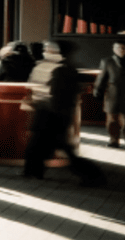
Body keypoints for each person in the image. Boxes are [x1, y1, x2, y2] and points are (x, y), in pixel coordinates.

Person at [23, 39, 104, 185]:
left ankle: (93, 176)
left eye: (50, 48)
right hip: (55, 114)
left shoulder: (61, 69)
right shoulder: (67, 67)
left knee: (46, 146)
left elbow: (54, 94)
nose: (46, 50)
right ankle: (33, 172)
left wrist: (42, 104)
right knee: (45, 146)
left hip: (51, 115)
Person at [95, 39, 124, 148]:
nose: (121, 50)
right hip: (113, 94)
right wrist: (97, 90)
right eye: (118, 48)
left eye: (123, 48)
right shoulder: (107, 61)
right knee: (112, 120)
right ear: (114, 49)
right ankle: (114, 141)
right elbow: (101, 78)